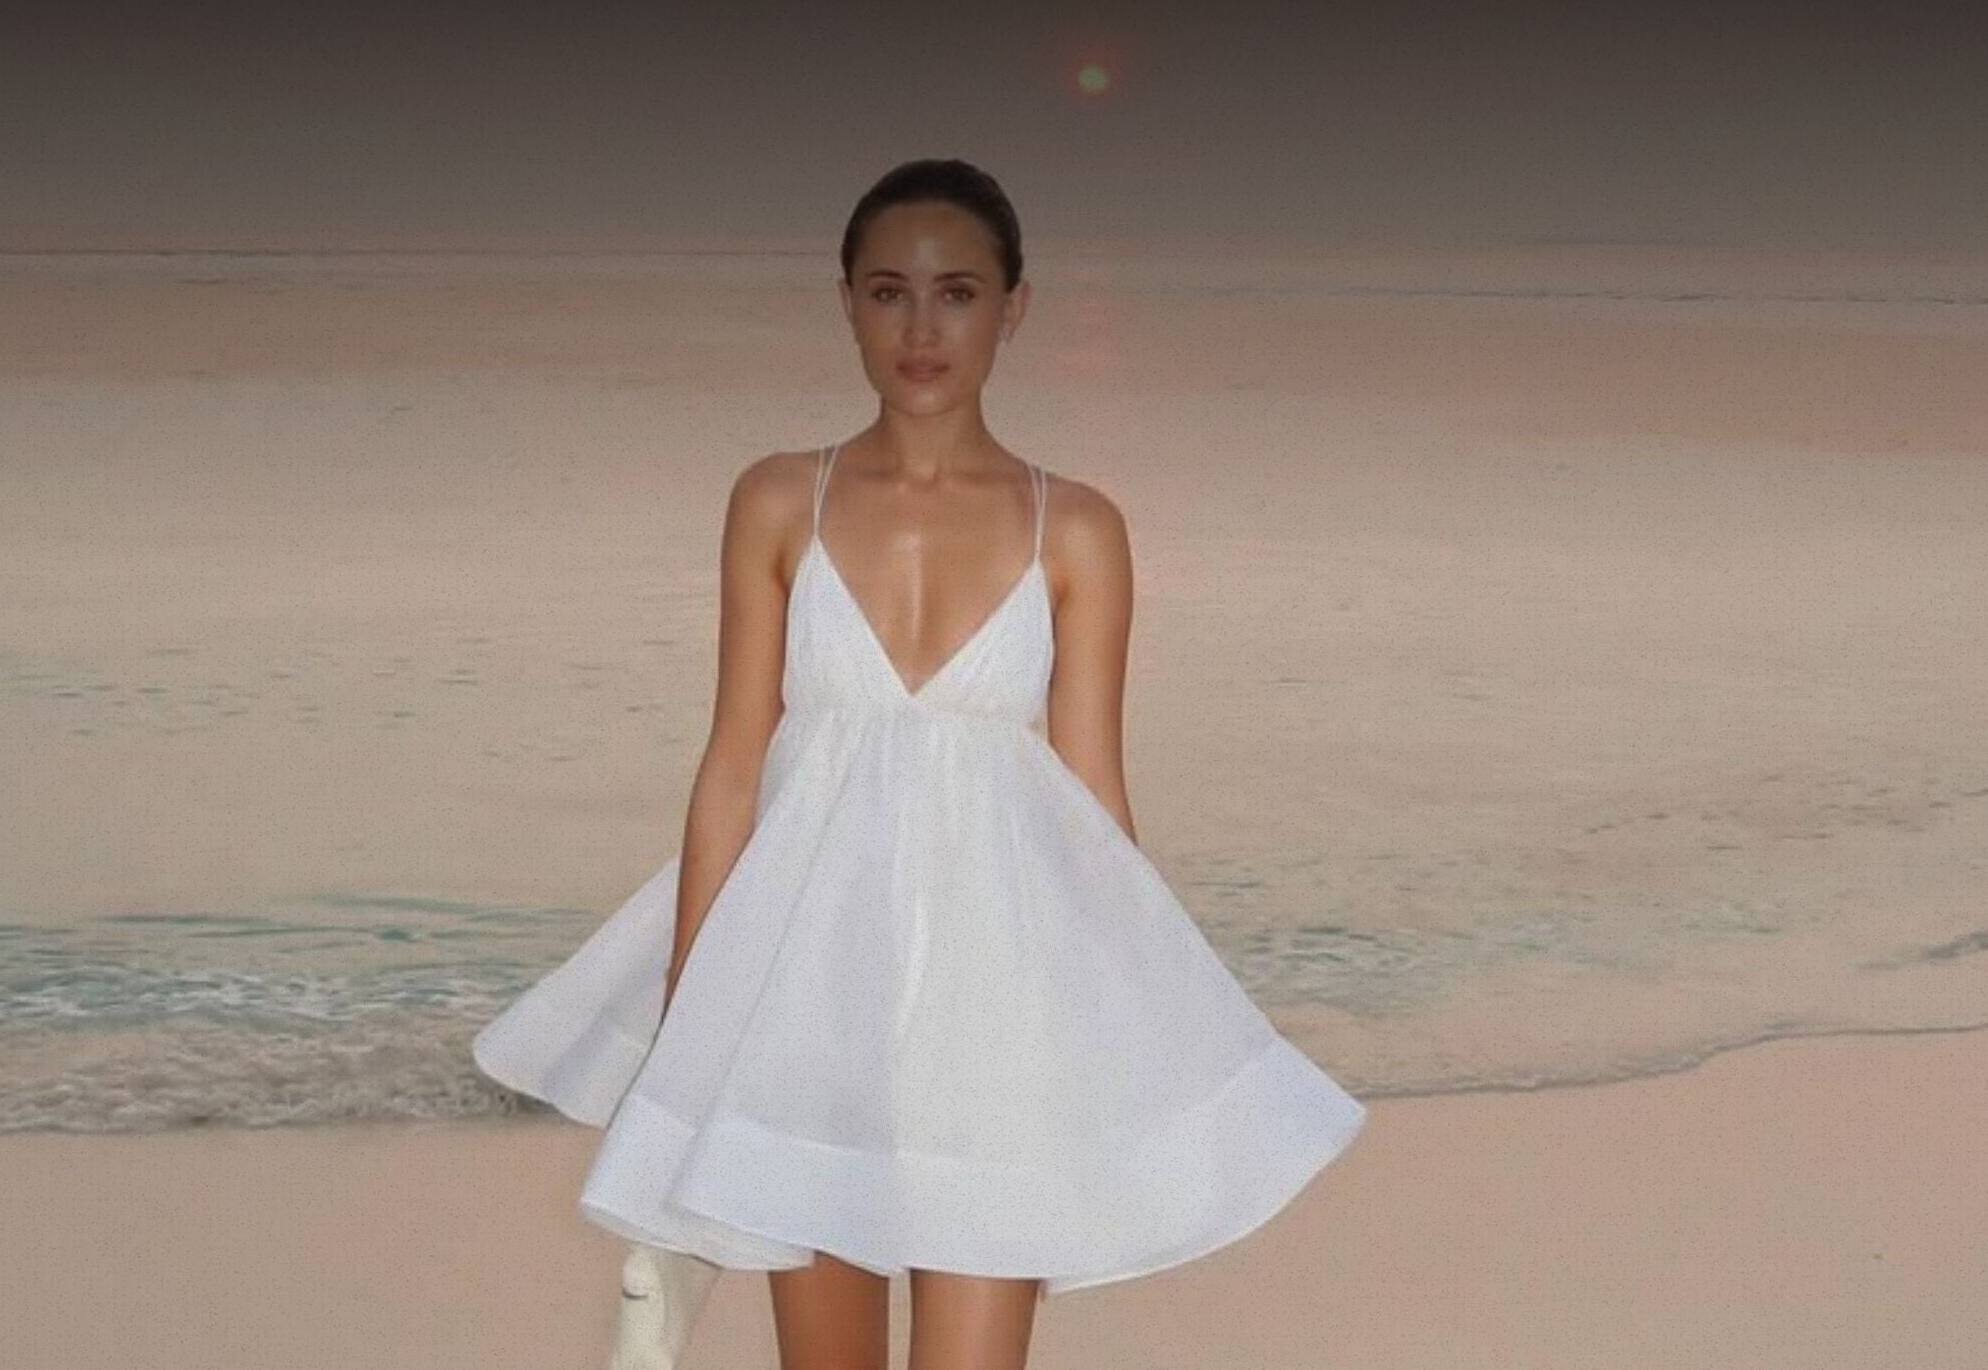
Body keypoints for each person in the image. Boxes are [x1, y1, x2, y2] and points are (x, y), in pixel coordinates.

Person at [472, 158, 1366, 1370]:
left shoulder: (1080, 527)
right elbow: (733, 766)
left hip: (995, 1018)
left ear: (1014, 306)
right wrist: (693, 1024)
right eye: (889, 292)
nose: (922, 327)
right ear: (845, 301)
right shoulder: (778, 500)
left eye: (957, 292)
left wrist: (1121, 1029)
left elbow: (1091, 802)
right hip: (807, 1012)